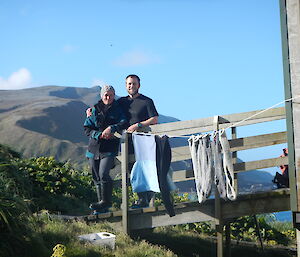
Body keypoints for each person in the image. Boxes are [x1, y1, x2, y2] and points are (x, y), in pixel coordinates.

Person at [86, 74, 159, 208]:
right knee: (131, 170)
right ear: (126, 86)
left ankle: (144, 199)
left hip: (143, 140)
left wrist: (138, 125)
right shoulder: (121, 102)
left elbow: (154, 119)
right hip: (125, 142)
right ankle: (139, 199)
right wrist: (91, 112)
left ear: (139, 85)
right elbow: (106, 107)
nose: (131, 86)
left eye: (134, 84)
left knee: (143, 168)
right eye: (129, 84)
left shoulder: (146, 101)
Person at [84, 85, 127, 214]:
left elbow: (124, 122)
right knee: (96, 176)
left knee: (104, 174)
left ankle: (106, 202)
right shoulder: (94, 110)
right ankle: (100, 206)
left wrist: (112, 128)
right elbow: (87, 128)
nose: (108, 97)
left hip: (109, 148)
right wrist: (98, 134)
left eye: (111, 95)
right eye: (106, 95)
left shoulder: (118, 109)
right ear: (102, 96)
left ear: (114, 95)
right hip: (93, 148)